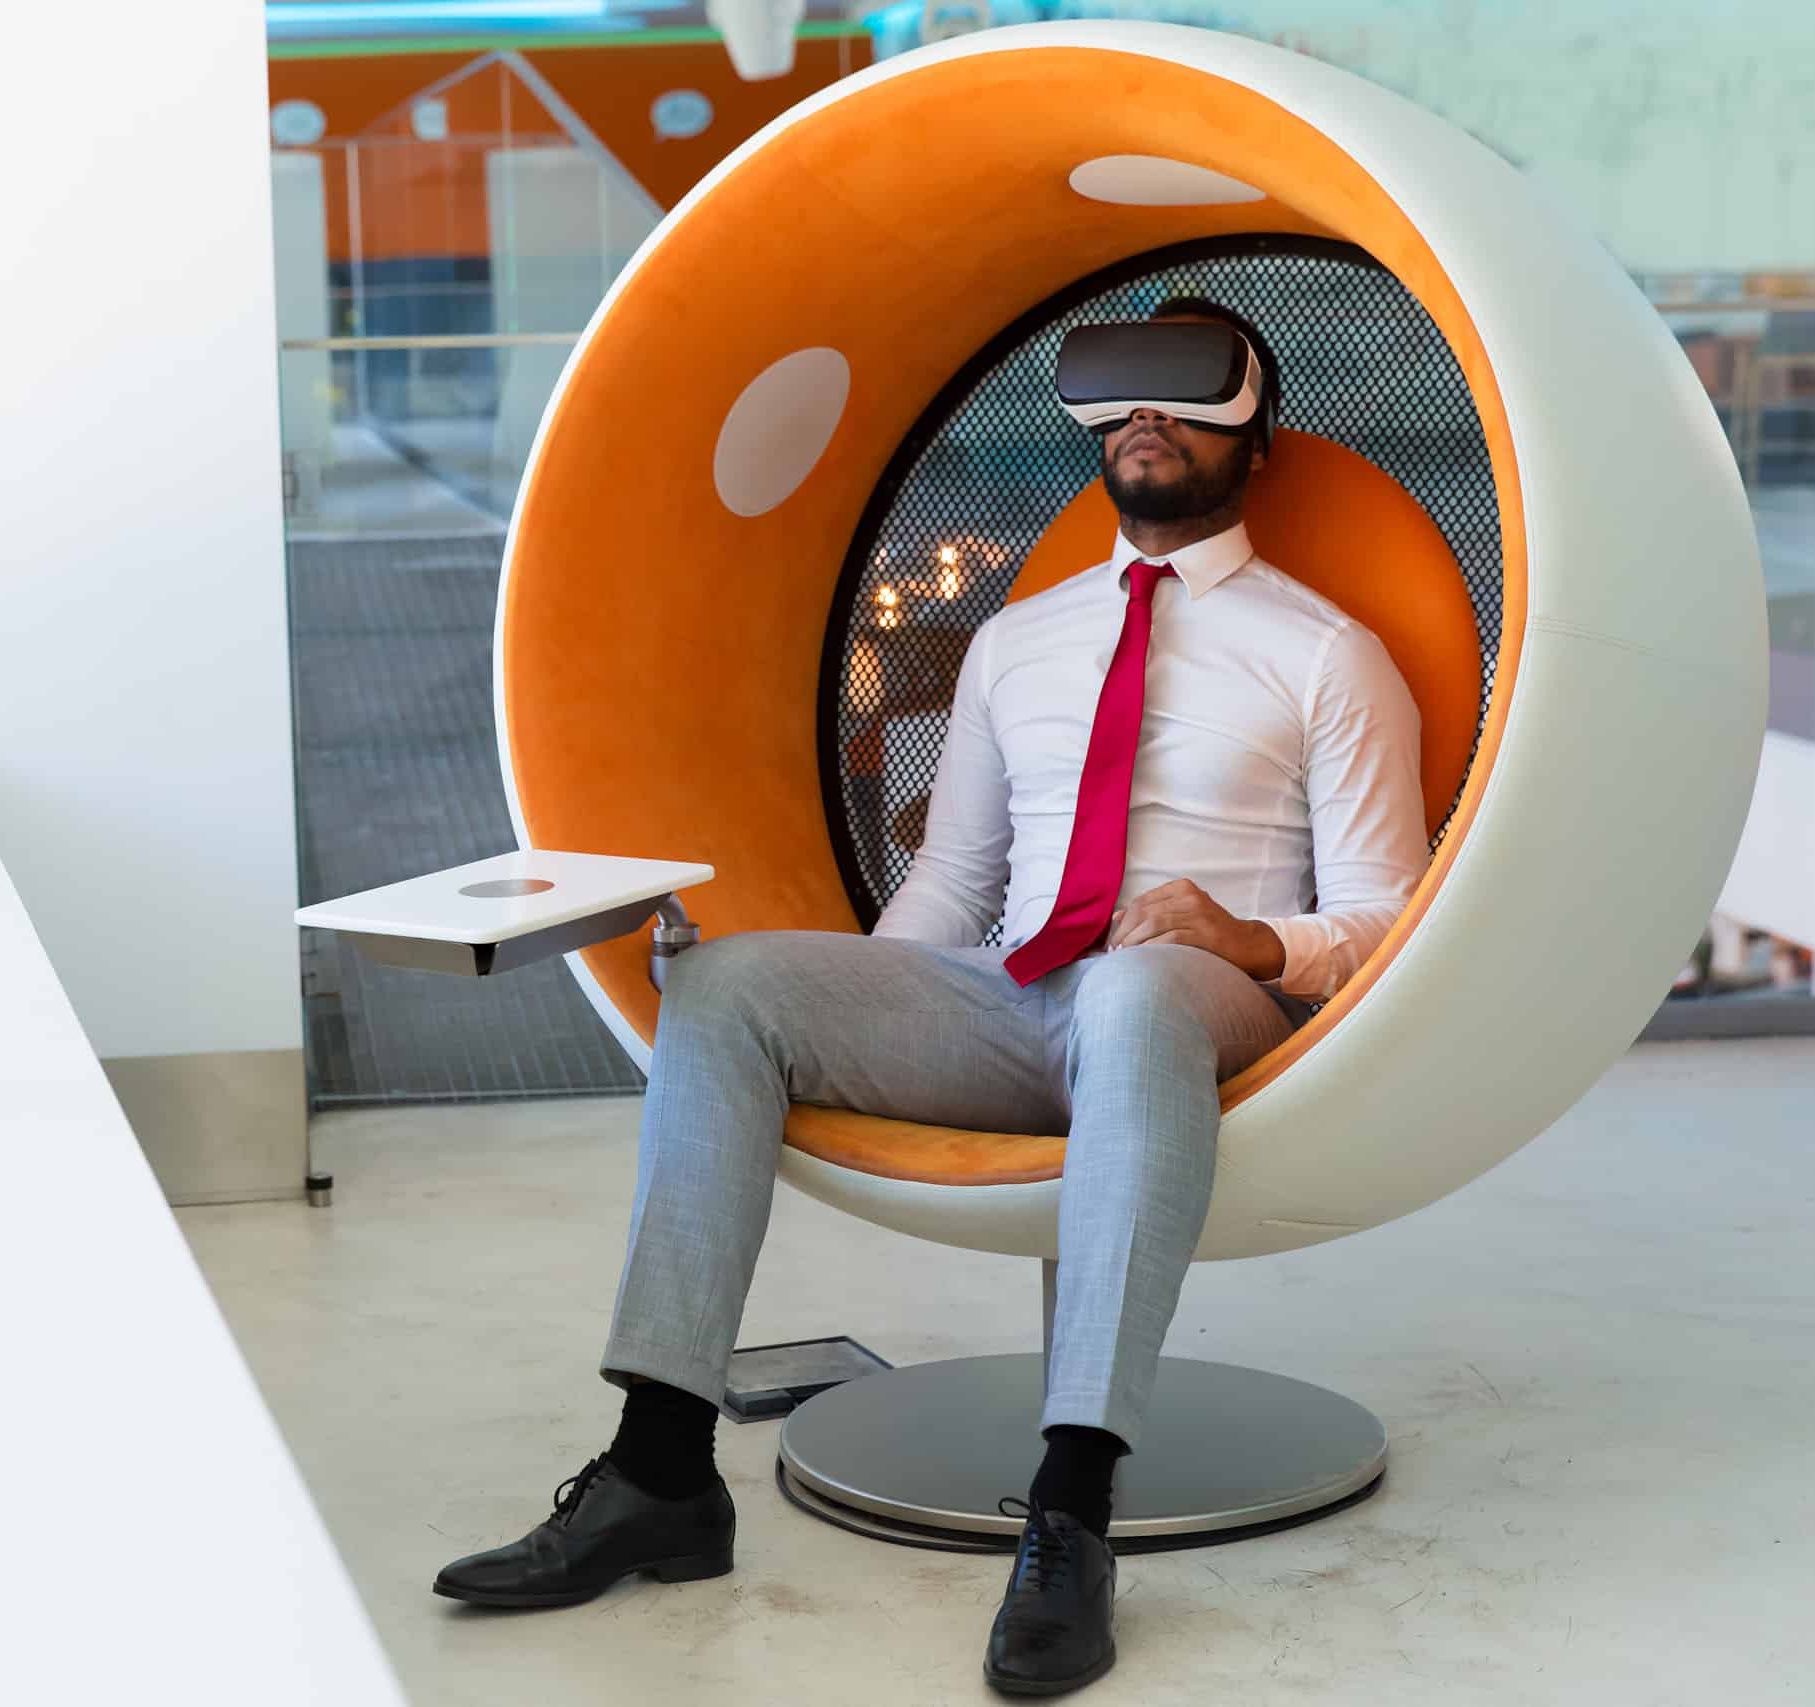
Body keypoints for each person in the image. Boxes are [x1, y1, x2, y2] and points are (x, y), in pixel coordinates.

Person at [431, 299, 1427, 1696]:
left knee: (1138, 991)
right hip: (1018, 998)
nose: (1146, 416)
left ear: (1256, 438)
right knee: (723, 985)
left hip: (1201, 1004)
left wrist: (1248, 939)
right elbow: (955, 886)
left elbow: (1386, 920)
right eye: (1121, 390)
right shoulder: (1017, 642)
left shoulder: (1327, 654)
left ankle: (1072, 1512)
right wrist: (871, 995)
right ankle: (660, 1472)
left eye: (1188, 389)